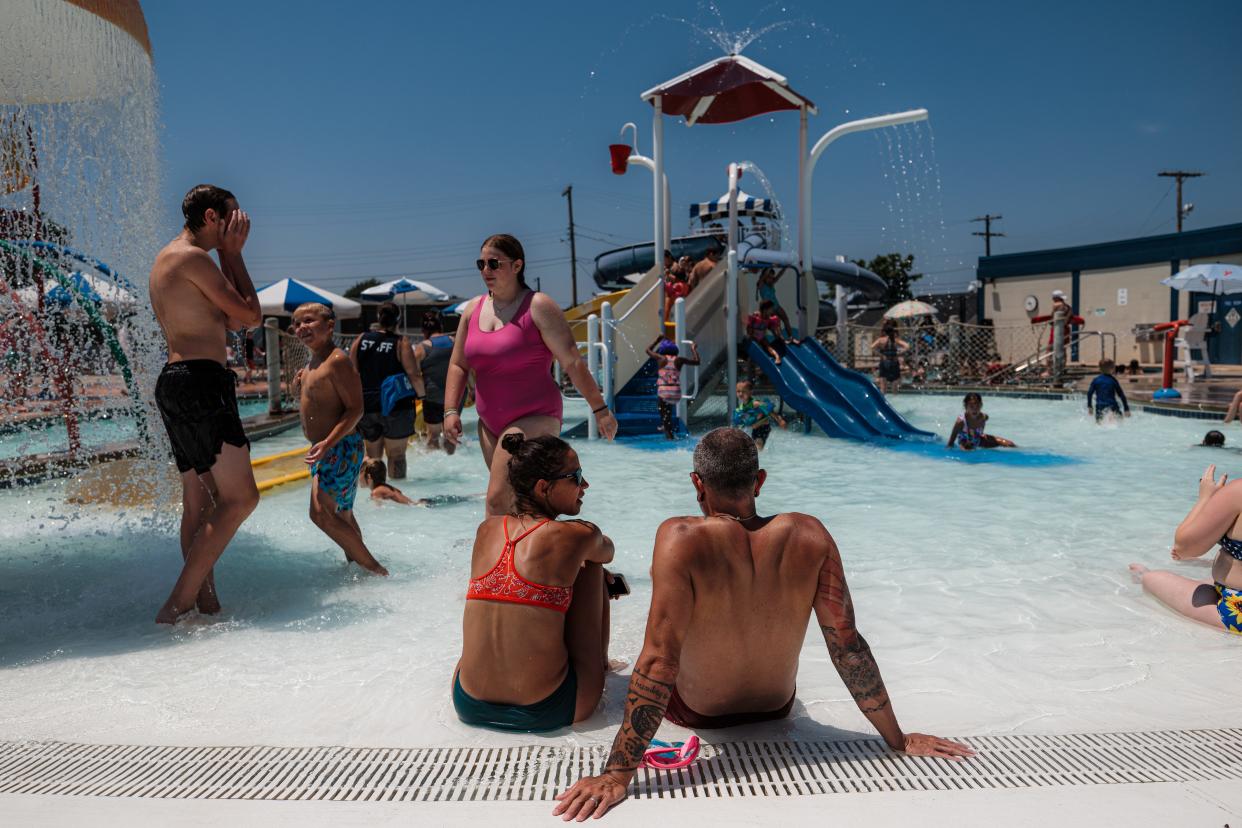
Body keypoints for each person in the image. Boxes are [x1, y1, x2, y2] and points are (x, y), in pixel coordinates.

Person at [553, 428, 974, 819]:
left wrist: (617, 774)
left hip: (697, 714)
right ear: (760, 481)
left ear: (697, 484)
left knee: (617, 633)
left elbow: (661, 661)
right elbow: (847, 645)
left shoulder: (681, 538)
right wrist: (897, 740)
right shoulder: (811, 534)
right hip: (776, 707)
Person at [149, 184, 262, 624]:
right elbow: (252, 317)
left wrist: (228, 260)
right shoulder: (194, 257)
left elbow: (233, 319)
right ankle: (177, 603)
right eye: (232, 220)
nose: (239, 227)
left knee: (198, 504)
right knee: (241, 499)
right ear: (213, 217)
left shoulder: (171, 258)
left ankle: (205, 602)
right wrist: (233, 256)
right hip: (200, 382)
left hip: (178, 382)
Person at [443, 234, 618, 516]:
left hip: (535, 417)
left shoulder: (538, 305)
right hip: (489, 424)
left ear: (516, 266)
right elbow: (458, 364)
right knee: (518, 502)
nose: (486, 270)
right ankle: (537, 556)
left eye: (494, 263)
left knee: (496, 501)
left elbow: (572, 361)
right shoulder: (472, 310)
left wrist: (600, 409)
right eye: (481, 263)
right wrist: (450, 410)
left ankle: (488, 560)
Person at [455, 433, 617, 731]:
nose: (585, 485)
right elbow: (607, 552)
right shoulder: (577, 535)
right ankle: (604, 663)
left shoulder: (486, 529)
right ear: (543, 487)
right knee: (592, 568)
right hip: (548, 709)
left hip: (467, 702)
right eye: (576, 477)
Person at [291, 303, 388, 576]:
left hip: (338, 447)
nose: (301, 327)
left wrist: (329, 442)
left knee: (320, 513)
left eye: (308, 320)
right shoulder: (312, 363)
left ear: (330, 325)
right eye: (297, 323)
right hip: (326, 448)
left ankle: (375, 569)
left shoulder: (337, 360)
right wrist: (299, 382)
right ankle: (360, 569)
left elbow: (356, 408)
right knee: (342, 514)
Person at [1129, 464, 1242, 635]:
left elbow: (1184, 548)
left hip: (1237, 611)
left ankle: (1143, 576)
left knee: (1154, 577)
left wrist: (1206, 498)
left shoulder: (1238, 492)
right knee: (1204, 584)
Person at [349, 301, 425, 480]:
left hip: (368, 405)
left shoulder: (361, 339)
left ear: (378, 318)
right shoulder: (400, 342)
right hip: (396, 406)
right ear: (398, 319)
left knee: (372, 457)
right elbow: (413, 374)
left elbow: (352, 373)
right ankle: (396, 497)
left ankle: (371, 496)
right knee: (397, 455)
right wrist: (423, 396)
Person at [413, 311, 455, 454]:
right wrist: (472, 389)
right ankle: (451, 460)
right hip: (454, 396)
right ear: (441, 326)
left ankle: (437, 469)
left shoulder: (421, 348)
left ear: (423, 330)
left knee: (433, 436)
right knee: (451, 435)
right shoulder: (454, 341)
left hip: (432, 396)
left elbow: (414, 375)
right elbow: (465, 368)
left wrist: (421, 395)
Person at [645, 336, 700, 440]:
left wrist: (656, 340)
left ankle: (668, 433)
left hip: (664, 391)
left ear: (662, 350)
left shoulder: (661, 358)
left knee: (664, 414)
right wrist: (693, 348)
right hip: (676, 392)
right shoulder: (679, 360)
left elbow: (647, 350)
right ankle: (666, 426)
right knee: (668, 413)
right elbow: (697, 361)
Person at [946, 392, 1016, 450]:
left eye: (977, 406)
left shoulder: (984, 417)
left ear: (981, 405)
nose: (975, 409)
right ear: (966, 406)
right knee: (969, 452)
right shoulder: (961, 422)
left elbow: (985, 419)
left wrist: (982, 436)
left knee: (1010, 444)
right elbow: (950, 442)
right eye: (971, 406)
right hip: (965, 443)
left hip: (979, 439)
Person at [1030, 289, 1085, 362]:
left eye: (1053, 298)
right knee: (1062, 349)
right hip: (1066, 330)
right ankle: (1061, 367)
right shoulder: (1068, 307)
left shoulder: (1057, 304)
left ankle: (1049, 370)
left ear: (1056, 298)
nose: (1052, 300)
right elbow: (1070, 319)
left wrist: (1037, 320)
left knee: (1050, 350)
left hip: (1057, 330)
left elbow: (1053, 318)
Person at [733, 379, 786, 450]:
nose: (740, 394)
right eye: (738, 391)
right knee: (753, 448)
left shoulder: (755, 403)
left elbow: (768, 409)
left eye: (744, 391)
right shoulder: (741, 407)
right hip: (755, 430)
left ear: (750, 392)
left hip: (763, 428)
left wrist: (780, 420)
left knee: (757, 447)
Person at [871, 320, 908, 395]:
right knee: (895, 387)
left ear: (884, 331)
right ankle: (895, 400)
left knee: (883, 387)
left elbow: (871, 347)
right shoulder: (895, 340)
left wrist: (881, 355)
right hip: (894, 362)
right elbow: (907, 346)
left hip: (884, 362)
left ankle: (883, 404)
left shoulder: (881, 340)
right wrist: (898, 354)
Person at [756, 268, 793, 337]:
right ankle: (780, 339)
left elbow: (779, 275)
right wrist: (770, 266)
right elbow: (764, 275)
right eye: (769, 277)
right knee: (776, 324)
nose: (771, 279)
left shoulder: (771, 283)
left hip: (776, 305)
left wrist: (785, 268)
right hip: (769, 308)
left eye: (772, 277)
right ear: (765, 277)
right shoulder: (761, 284)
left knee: (785, 319)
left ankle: (791, 337)